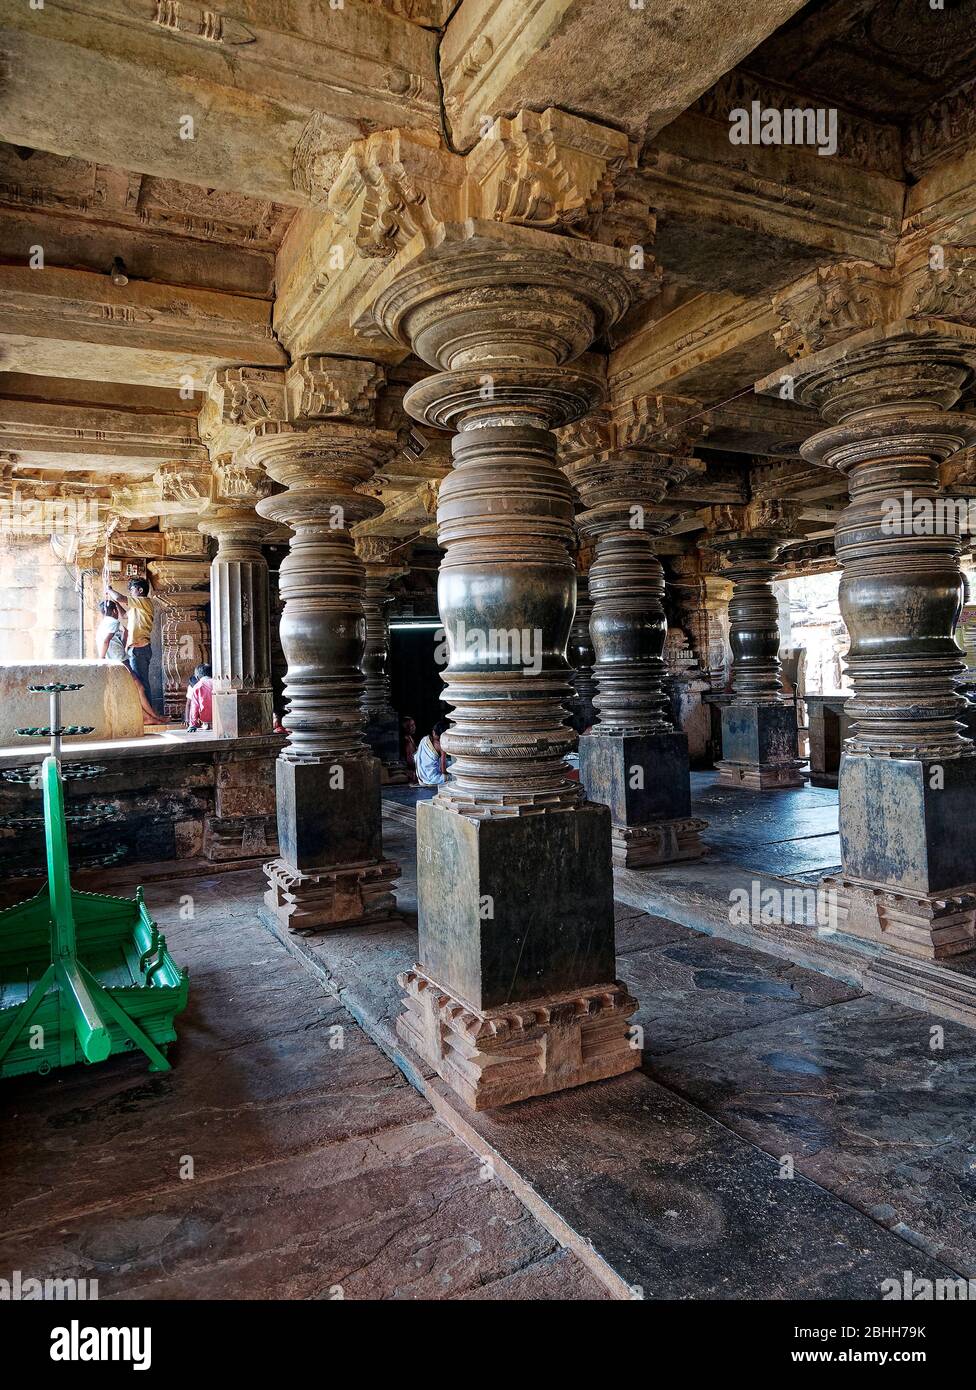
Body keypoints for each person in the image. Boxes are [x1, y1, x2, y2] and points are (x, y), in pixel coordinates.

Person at [95, 596, 160, 723]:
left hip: (115, 661)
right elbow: (106, 640)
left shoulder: (103, 624)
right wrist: (101, 658)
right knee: (139, 688)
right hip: (121, 661)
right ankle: (152, 717)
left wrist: (122, 646)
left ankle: (150, 717)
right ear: (114, 612)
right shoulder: (113, 622)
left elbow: (125, 631)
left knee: (134, 689)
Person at [105, 577, 155, 703]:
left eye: (132, 590)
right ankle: (149, 715)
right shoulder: (137, 607)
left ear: (140, 590)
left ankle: (150, 716)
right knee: (139, 683)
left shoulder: (144, 601)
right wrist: (115, 602)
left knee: (141, 683)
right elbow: (123, 615)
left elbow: (120, 598)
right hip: (136, 648)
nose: (131, 593)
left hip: (140, 648)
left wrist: (109, 589)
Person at [415, 718, 449, 787]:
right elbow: (443, 768)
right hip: (432, 778)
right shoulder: (442, 745)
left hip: (421, 778)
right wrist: (446, 774)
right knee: (453, 777)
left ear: (433, 732)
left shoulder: (424, 740)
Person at [185, 664, 214, 732]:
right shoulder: (218, 683)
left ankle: (206, 724)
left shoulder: (197, 686)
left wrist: (192, 725)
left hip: (206, 718)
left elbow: (194, 707)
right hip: (221, 717)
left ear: (197, 677)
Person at [401, 715, 417, 781]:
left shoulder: (410, 737)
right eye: (411, 726)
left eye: (414, 725)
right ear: (406, 728)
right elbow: (409, 760)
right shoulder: (407, 740)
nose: (414, 727)